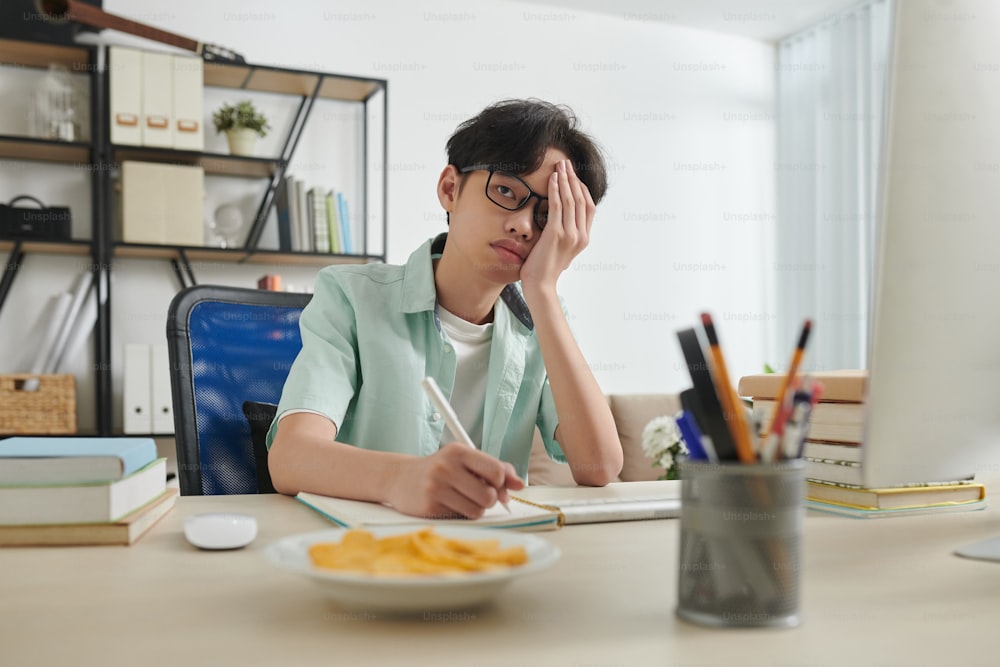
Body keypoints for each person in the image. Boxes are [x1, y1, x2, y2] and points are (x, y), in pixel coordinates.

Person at [267, 98, 623, 519]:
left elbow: (599, 467)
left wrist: (543, 289)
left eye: (547, 215)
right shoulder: (351, 296)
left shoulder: (542, 318)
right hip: (363, 553)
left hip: (490, 556)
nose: (523, 225)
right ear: (450, 189)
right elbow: (290, 458)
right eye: (507, 190)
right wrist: (402, 479)